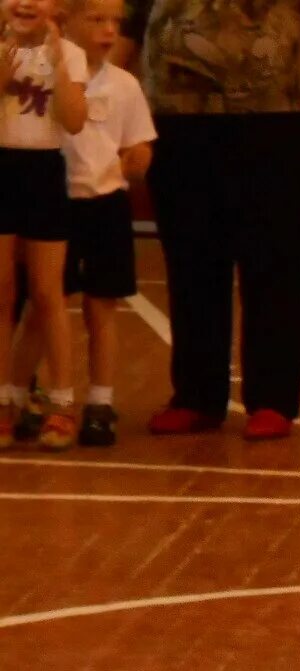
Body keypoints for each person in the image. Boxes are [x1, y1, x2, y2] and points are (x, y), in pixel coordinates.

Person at [121, 0, 300, 441]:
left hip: (281, 113)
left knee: (278, 257)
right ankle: (196, 395)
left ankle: (273, 398)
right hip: (177, 114)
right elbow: (131, 16)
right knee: (190, 259)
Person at [9, 0, 153, 449]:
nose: (109, 31)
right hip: (55, 198)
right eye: (96, 20)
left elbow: (137, 140)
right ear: (66, 20)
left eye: (115, 22)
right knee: (38, 302)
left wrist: (136, 160)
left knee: (100, 305)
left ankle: (97, 401)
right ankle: (15, 395)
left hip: (103, 203)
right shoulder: (28, 60)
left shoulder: (122, 83)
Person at [0, 0, 87, 452]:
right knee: (2, 290)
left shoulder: (69, 53)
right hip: (2, 167)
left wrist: (56, 66)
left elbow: (74, 120)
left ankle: (62, 401)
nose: (24, 2)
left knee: (47, 292)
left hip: (44, 172)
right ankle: (3, 405)